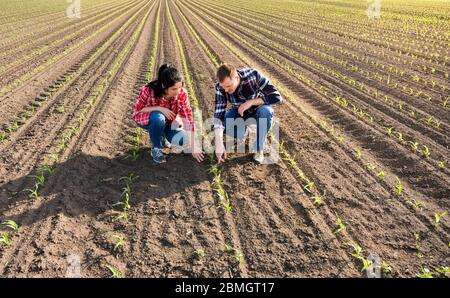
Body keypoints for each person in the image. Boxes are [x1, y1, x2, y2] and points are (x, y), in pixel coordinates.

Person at [133, 64, 204, 164]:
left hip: (169, 123)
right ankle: (156, 148)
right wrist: (159, 108)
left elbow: (187, 118)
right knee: (159, 118)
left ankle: (162, 136)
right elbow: (138, 110)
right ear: (164, 86)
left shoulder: (182, 94)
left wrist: (194, 145)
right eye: (174, 89)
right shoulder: (148, 90)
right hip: (149, 119)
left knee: (184, 140)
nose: (178, 91)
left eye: (180, 87)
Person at [213, 63, 282, 164]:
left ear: (236, 77)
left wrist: (251, 102)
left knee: (266, 112)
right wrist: (219, 143)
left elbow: (276, 97)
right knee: (224, 125)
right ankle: (243, 133)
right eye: (224, 87)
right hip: (239, 112)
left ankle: (259, 149)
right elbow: (219, 115)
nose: (226, 90)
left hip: (259, 110)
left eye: (228, 86)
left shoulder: (253, 76)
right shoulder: (220, 88)